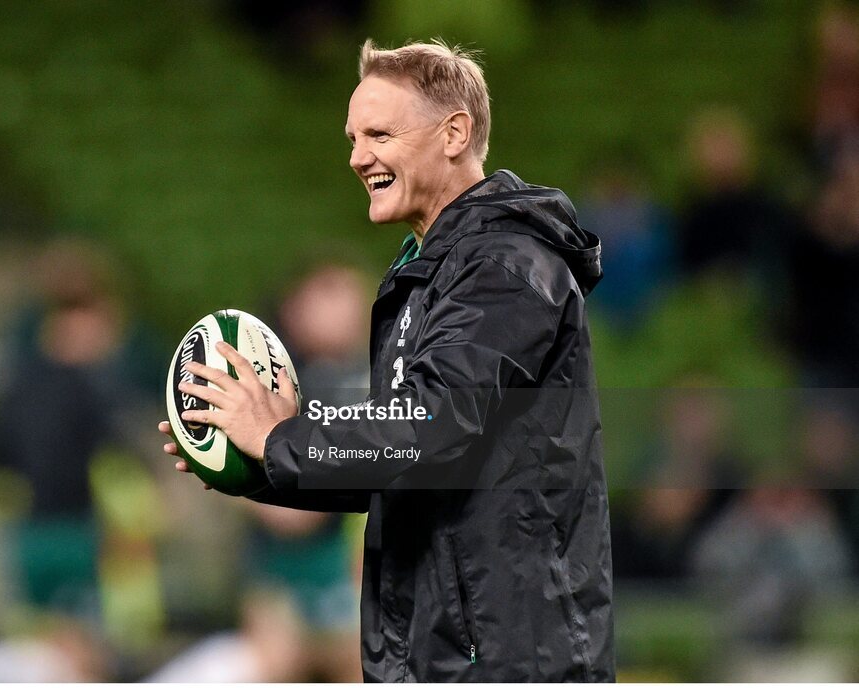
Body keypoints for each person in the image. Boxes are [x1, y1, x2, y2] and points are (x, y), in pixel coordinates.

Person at [159, 39, 614, 681]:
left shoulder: (505, 266)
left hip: (505, 659)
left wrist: (281, 437)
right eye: (353, 138)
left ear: (454, 133)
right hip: (434, 652)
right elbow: (399, 465)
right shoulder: (426, 276)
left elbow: (428, 429)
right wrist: (257, 465)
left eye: (379, 134)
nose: (357, 156)